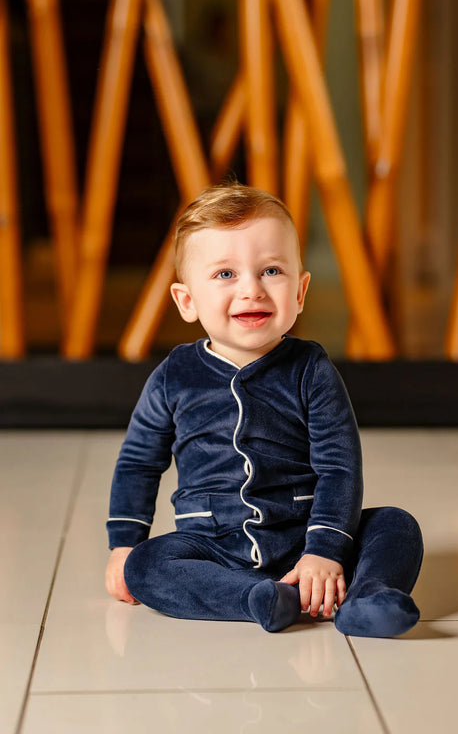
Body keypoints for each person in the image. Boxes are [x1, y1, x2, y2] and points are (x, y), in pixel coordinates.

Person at [105, 182, 423, 636]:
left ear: (300, 291)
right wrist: (124, 544)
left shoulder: (311, 369)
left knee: (395, 525)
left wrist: (325, 549)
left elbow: (339, 466)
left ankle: (367, 597)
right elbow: (138, 463)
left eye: (271, 271)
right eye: (225, 274)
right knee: (146, 565)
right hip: (212, 545)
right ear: (187, 301)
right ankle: (256, 597)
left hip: (306, 533)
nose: (252, 290)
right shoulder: (174, 376)